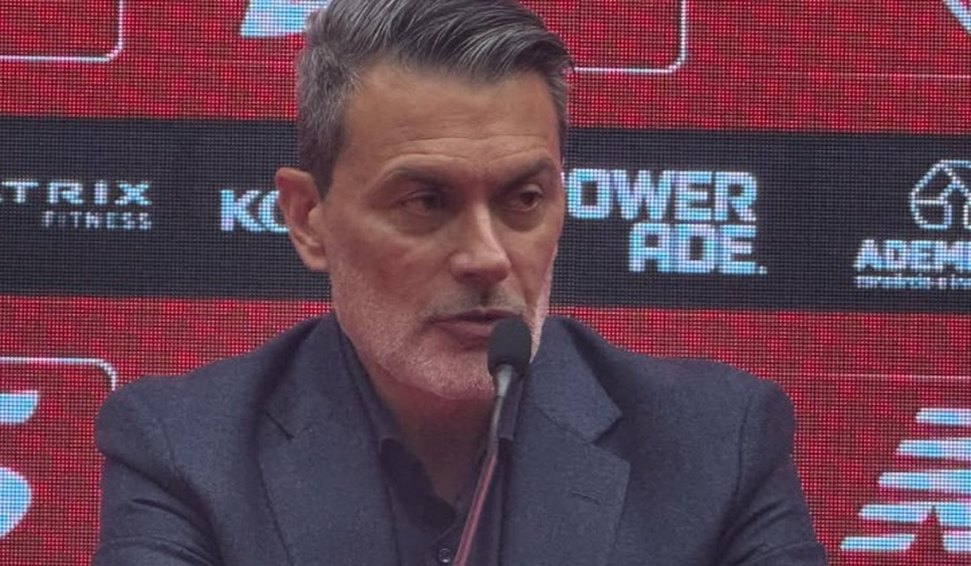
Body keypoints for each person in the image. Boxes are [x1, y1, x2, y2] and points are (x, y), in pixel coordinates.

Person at [93, 1, 826, 564]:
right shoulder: (185, 449)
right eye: (425, 201)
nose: (486, 257)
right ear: (309, 219)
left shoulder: (715, 442)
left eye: (523, 199)